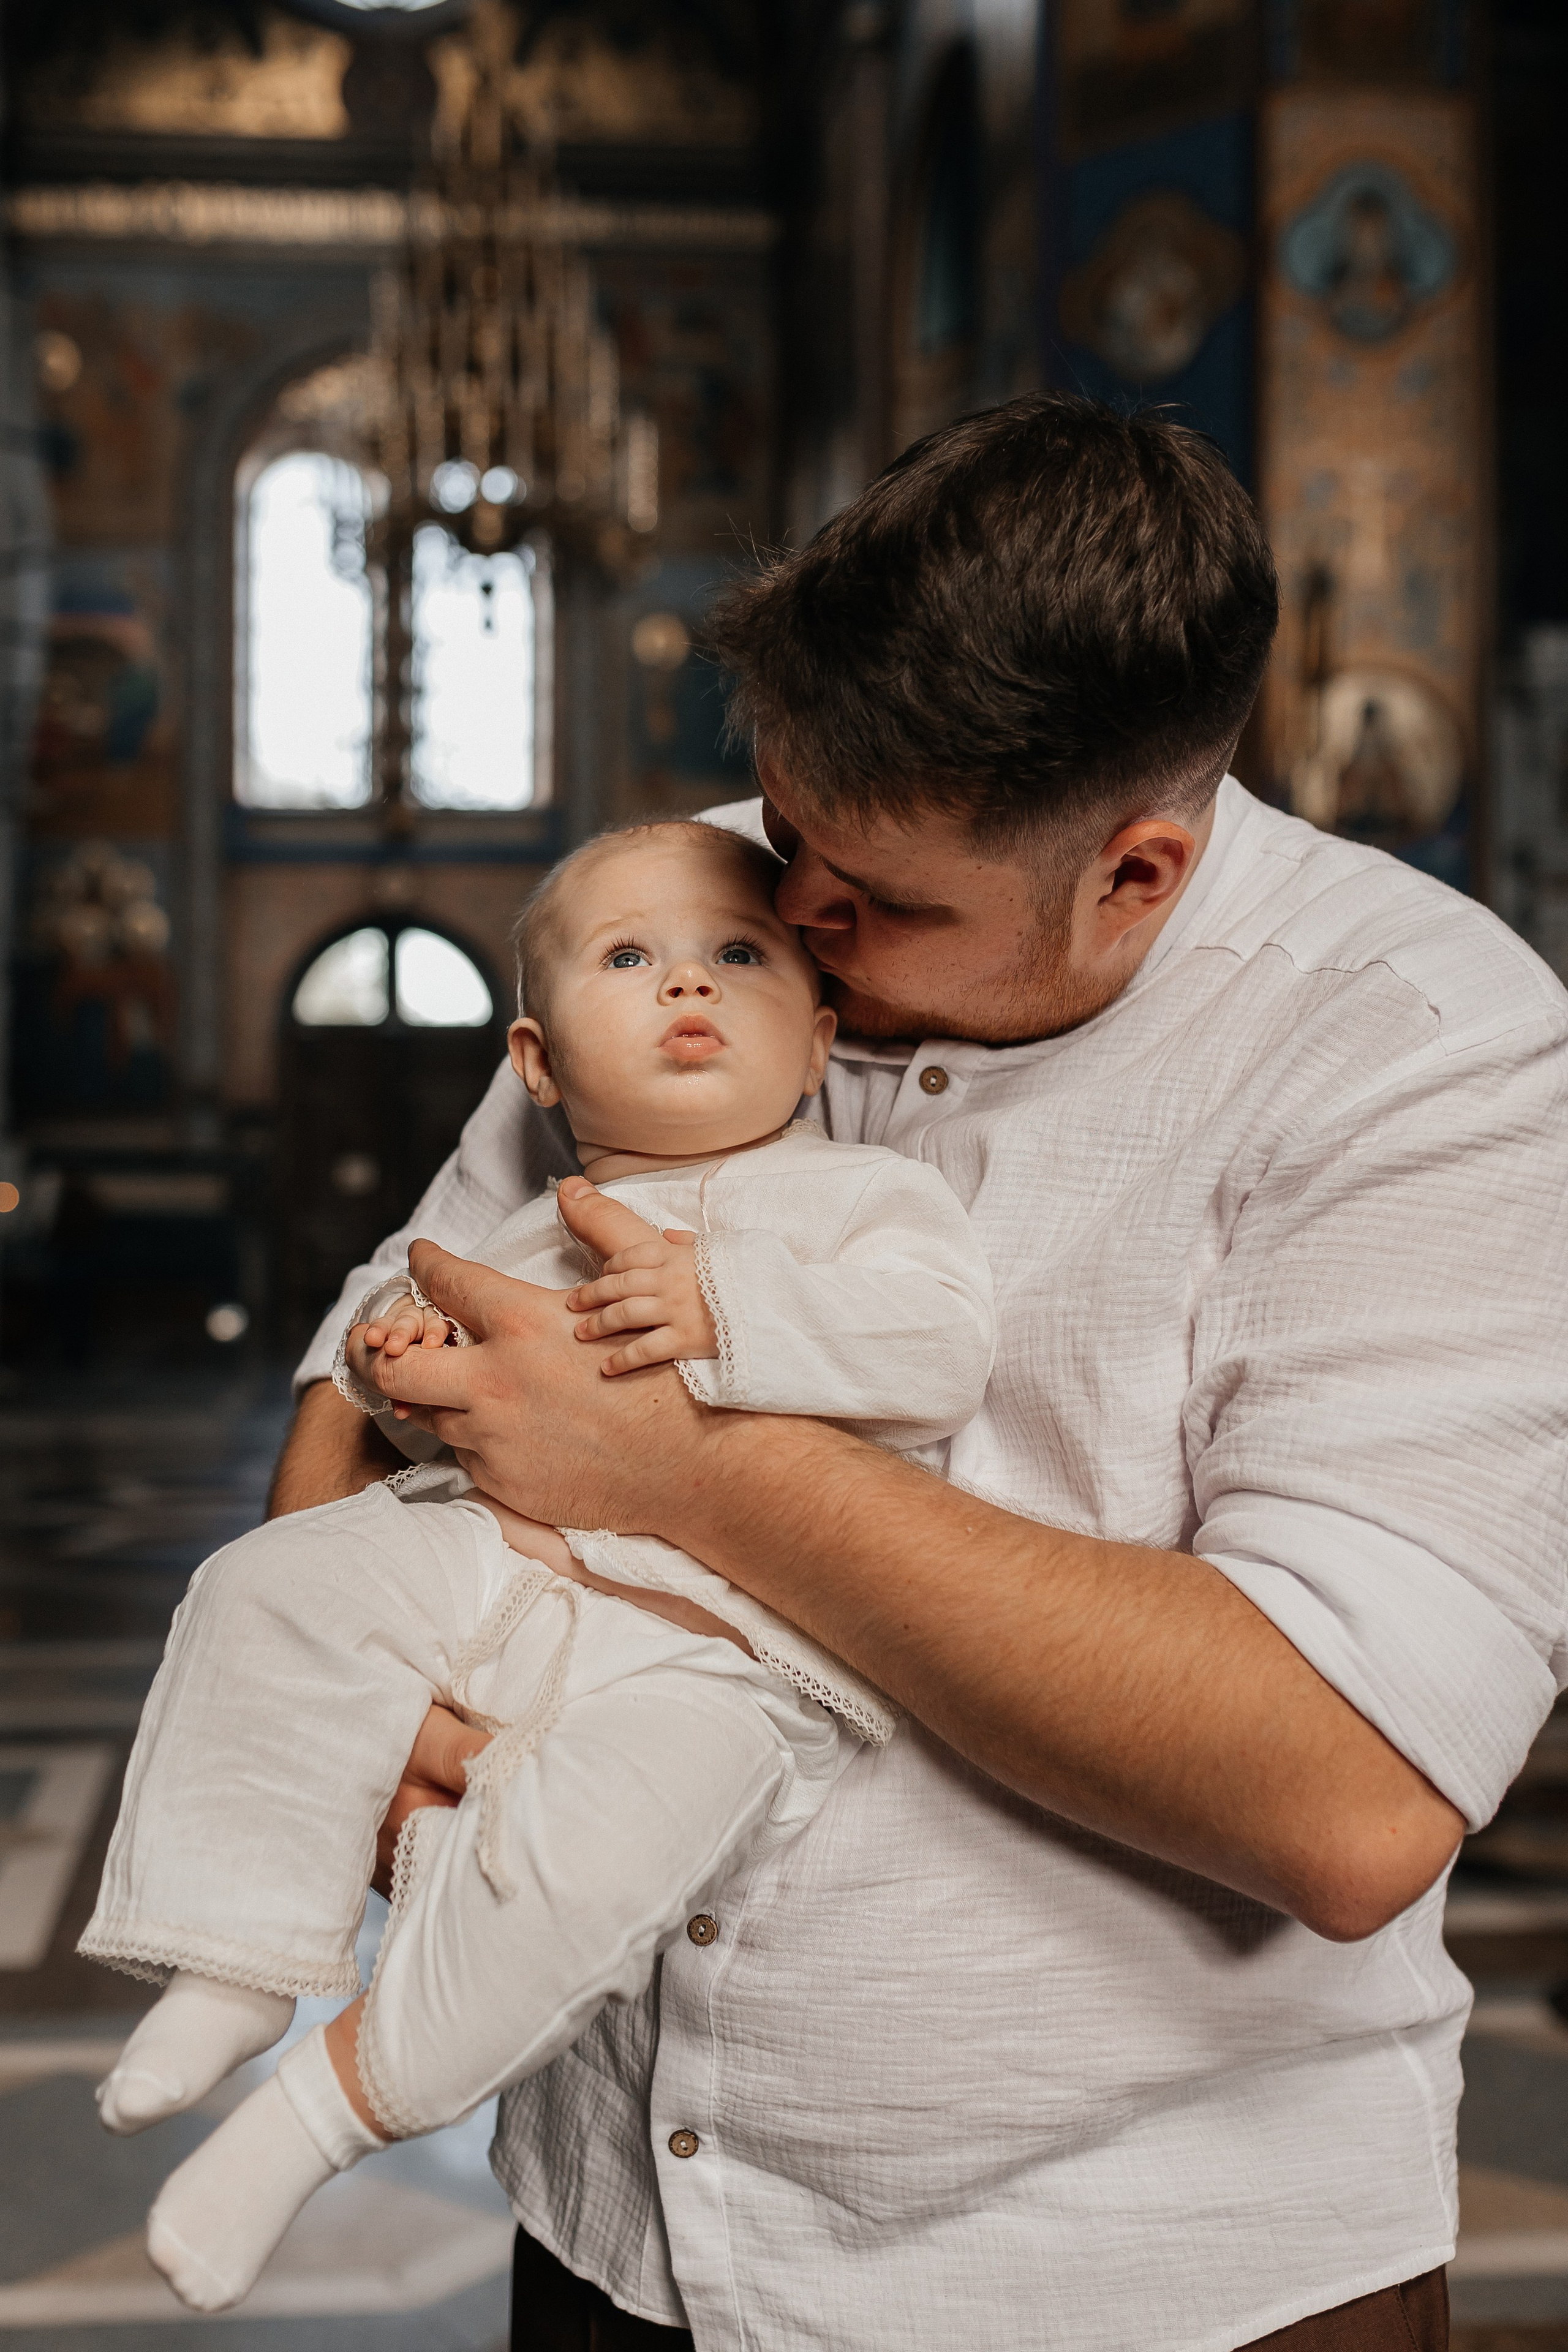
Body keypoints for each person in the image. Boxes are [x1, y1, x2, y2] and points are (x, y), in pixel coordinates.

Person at [279, 396, 1568, 2352]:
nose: (787, 918)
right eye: (786, 830)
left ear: (1134, 872)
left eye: (878, 901)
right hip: (618, 2215)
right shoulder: (698, 901)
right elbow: (401, 1317)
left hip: (1140, 2275)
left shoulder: (1427, 1050)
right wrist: (333, 1690)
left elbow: (1348, 1793)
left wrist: (693, 1470)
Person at [79, 822, 995, 2315]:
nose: (686, 984)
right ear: (539, 1062)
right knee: (261, 1593)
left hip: (720, 1649)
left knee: (581, 1869)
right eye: (629, 962)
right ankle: (234, 1956)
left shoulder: (853, 1200)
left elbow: (939, 1352)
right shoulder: (514, 1223)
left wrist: (723, 1301)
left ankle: (317, 2115)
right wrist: (400, 1374)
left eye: (739, 959)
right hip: (482, 1563)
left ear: (821, 1035)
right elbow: (441, 1410)